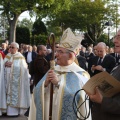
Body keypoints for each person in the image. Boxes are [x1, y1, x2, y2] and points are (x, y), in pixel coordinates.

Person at [29, 28, 91, 120]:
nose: (56, 55)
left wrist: (58, 84)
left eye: (60, 52)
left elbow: (80, 99)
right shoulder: (53, 70)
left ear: (70, 55)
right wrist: (45, 84)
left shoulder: (82, 75)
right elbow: (36, 92)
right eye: (57, 51)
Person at [87, 30, 120, 120]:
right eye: (115, 37)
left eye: (119, 37)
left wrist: (102, 100)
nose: (114, 41)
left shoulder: (111, 59)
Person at [4, 42, 30, 116]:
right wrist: (5, 64)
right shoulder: (8, 56)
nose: (11, 49)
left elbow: (24, 68)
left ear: (17, 49)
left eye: (13, 47)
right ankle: (6, 111)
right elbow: (3, 64)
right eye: (10, 47)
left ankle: (14, 112)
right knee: (7, 93)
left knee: (14, 95)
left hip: (16, 81)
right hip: (7, 79)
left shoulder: (20, 57)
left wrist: (12, 66)